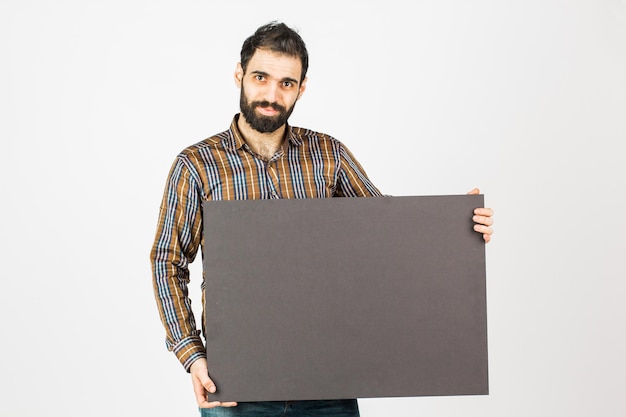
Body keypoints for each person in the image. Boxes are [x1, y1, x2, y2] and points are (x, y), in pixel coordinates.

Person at [150, 21, 494, 417]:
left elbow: (390, 234)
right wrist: (193, 356)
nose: (271, 94)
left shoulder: (328, 155)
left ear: (301, 88)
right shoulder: (196, 165)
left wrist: (455, 227)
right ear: (239, 75)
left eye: (286, 83)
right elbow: (167, 261)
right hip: (236, 388)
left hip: (327, 383)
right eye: (261, 77)